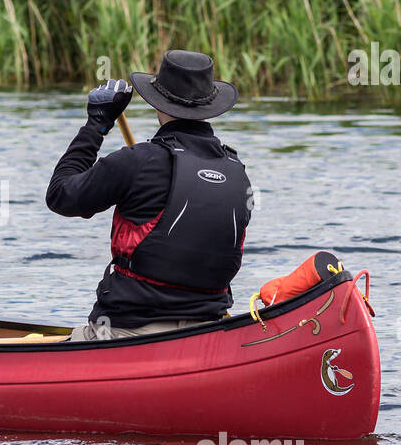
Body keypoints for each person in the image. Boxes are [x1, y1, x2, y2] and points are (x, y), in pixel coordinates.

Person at [46, 50, 252, 341]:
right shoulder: (237, 172)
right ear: (209, 107)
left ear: (158, 103)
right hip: (209, 332)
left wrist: (97, 123)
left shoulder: (137, 162)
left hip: (127, 332)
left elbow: (60, 195)